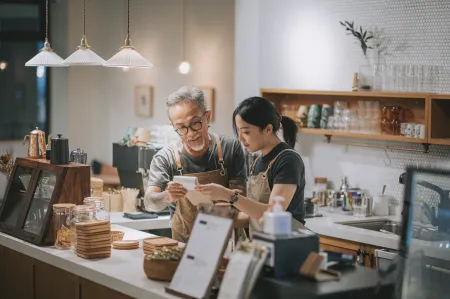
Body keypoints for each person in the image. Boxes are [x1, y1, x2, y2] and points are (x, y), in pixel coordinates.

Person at [143, 86, 247, 242]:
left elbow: (240, 197)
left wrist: (223, 202)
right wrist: (166, 196)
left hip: (228, 242)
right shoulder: (165, 158)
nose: (191, 133)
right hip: (184, 245)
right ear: (174, 127)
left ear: (208, 117)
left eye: (195, 123)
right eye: (181, 128)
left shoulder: (230, 148)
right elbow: (149, 203)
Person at [195, 96, 305, 234]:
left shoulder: (288, 160)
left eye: (246, 132)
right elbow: (254, 216)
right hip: (262, 247)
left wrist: (230, 196)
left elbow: (272, 214)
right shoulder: (258, 161)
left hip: (286, 247)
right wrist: (220, 217)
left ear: (268, 129)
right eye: (239, 131)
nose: (240, 138)